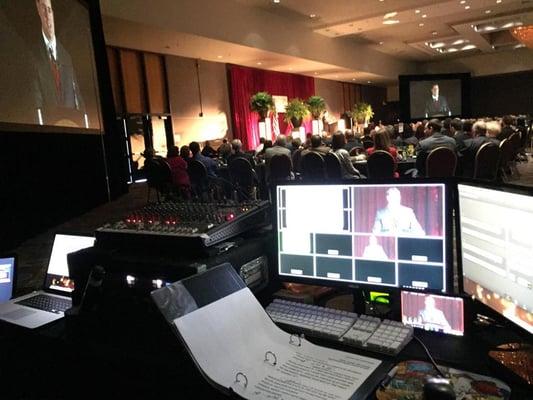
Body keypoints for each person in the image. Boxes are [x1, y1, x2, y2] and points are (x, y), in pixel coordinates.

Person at [33, 0, 84, 113]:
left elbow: (78, 100)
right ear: (38, 12)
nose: (47, 15)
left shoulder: (67, 57)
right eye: (43, 9)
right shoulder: (33, 56)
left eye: (49, 10)